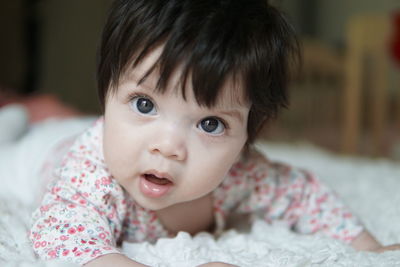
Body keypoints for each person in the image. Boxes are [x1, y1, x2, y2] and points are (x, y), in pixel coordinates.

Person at [29, 0, 400, 266]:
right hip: (45, 151)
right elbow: (66, 237)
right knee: (29, 131)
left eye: (210, 124)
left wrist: (369, 249)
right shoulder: (90, 174)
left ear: (249, 136)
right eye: (144, 105)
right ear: (106, 91)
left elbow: (305, 196)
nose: (168, 146)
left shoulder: (243, 174)